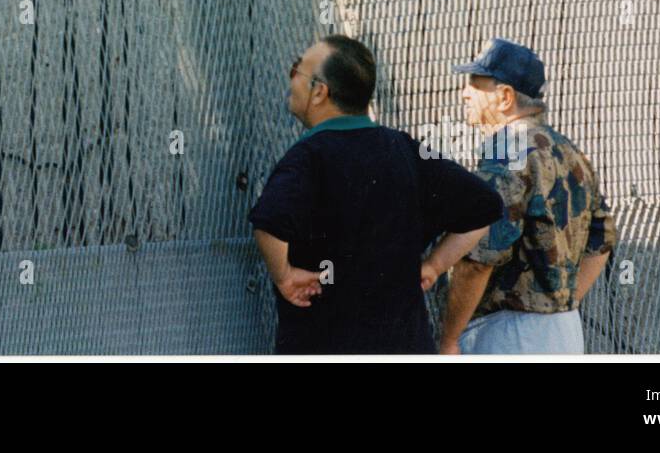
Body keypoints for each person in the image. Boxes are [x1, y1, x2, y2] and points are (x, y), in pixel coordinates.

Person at [248, 35, 503, 354]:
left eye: (295, 71)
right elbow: (485, 206)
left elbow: (269, 222)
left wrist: (284, 276)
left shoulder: (308, 157)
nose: (290, 80)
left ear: (319, 92)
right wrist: (436, 265)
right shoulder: (405, 149)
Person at [439, 38, 618, 355]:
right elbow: (603, 237)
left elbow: (478, 261)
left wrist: (449, 338)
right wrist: (563, 302)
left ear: (505, 96)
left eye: (475, 85)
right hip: (565, 332)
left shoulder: (507, 150)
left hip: (509, 334)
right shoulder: (568, 150)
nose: (465, 93)